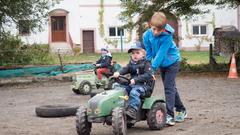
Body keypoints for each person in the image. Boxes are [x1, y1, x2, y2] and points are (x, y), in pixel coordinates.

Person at [143, 12, 187, 126]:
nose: (156, 32)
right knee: (170, 87)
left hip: (172, 62)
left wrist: (152, 68)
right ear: (150, 25)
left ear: (164, 28)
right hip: (162, 64)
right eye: (154, 29)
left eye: (159, 30)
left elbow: (160, 54)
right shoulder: (146, 36)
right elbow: (149, 53)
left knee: (168, 88)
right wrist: (147, 66)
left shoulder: (167, 36)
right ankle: (181, 109)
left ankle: (170, 116)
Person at [113, 42, 153, 119]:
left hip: (144, 86)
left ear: (143, 54)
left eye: (137, 53)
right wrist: (118, 72)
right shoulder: (131, 63)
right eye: (133, 53)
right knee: (117, 87)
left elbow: (148, 75)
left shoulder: (146, 63)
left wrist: (135, 80)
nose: (135, 55)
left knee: (134, 92)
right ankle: (118, 106)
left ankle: (132, 110)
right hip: (133, 84)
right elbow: (125, 69)